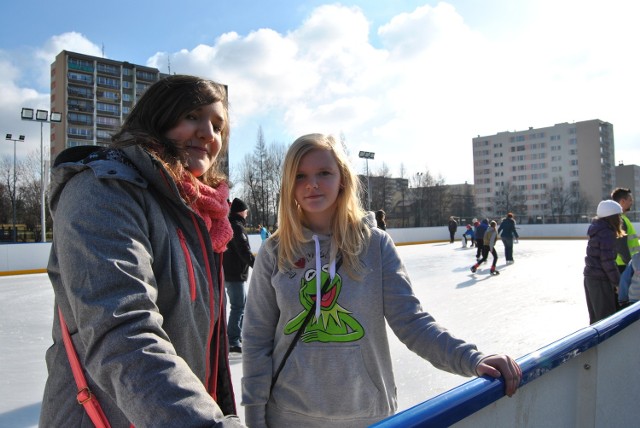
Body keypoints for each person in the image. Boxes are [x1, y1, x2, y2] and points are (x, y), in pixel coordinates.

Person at [241, 134, 521, 428]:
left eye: (324, 173)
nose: (312, 183)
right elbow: (256, 340)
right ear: (289, 184)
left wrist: (472, 359)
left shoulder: (375, 245)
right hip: (288, 417)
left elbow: (413, 322)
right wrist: (254, 417)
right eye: (301, 175)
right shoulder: (275, 251)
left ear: (343, 179)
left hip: (369, 416)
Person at [40, 75, 244, 427]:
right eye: (193, 116)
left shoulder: (199, 216)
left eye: (217, 125)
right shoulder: (102, 190)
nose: (209, 134)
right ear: (158, 116)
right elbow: (123, 333)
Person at [583, 200, 625, 324]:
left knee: (596, 319)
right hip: (600, 280)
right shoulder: (606, 233)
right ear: (613, 217)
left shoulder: (597, 229)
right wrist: (617, 283)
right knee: (606, 320)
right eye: (619, 216)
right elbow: (607, 261)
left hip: (590, 278)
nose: (620, 219)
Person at [224, 198, 255, 354]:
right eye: (246, 210)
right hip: (234, 273)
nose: (247, 213)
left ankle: (237, 336)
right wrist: (257, 265)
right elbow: (243, 250)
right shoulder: (236, 227)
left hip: (232, 271)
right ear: (241, 211)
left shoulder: (232, 224)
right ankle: (233, 340)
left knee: (241, 305)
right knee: (238, 306)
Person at [611, 188, 639, 274]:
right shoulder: (619, 220)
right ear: (622, 201)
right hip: (624, 266)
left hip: (626, 264)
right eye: (630, 200)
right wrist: (631, 265)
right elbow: (621, 246)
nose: (631, 203)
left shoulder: (622, 218)